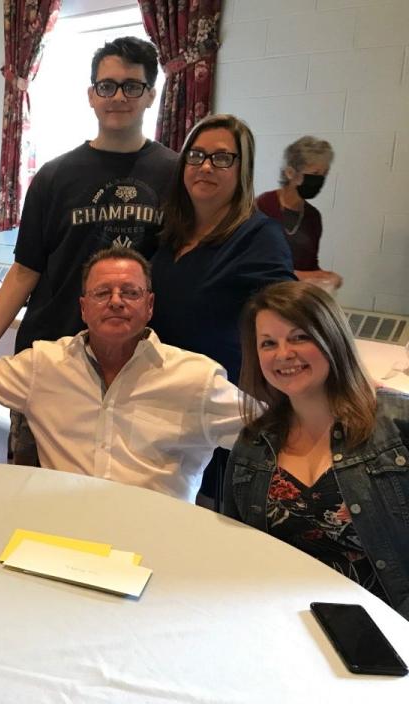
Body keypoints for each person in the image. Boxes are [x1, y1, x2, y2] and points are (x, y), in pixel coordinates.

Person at [0, 36, 177, 466]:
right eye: (107, 86)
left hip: (134, 364)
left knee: (124, 480)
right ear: (91, 96)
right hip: (51, 352)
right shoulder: (53, 176)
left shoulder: (175, 174)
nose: (118, 96)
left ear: (151, 95)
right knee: (34, 475)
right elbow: (26, 269)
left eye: (132, 86)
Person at [0, 247, 243, 502]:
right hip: (64, 531)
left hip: (156, 536)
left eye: (130, 292)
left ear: (150, 306)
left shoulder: (196, 379)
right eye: (102, 293)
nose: (115, 302)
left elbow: (271, 432)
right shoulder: (45, 365)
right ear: (83, 308)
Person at [224, 281, 409, 620]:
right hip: (280, 620)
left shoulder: (396, 423)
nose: (283, 354)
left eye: (299, 337)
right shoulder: (254, 445)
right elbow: (238, 551)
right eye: (268, 343)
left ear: (331, 339)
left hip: (388, 628)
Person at [150, 114, 296, 384]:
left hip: (221, 399)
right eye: (196, 155)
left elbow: (292, 321)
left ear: (243, 169)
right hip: (163, 389)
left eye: (221, 158)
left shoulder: (260, 238)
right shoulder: (169, 234)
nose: (205, 166)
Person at [256, 136, 342, 291]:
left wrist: (327, 276)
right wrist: (303, 276)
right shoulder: (262, 206)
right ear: (290, 173)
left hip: (293, 301)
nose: (320, 180)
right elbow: (254, 265)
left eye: (324, 174)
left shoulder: (313, 217)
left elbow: (310, 265)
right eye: (315, 173)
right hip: (262, 298)